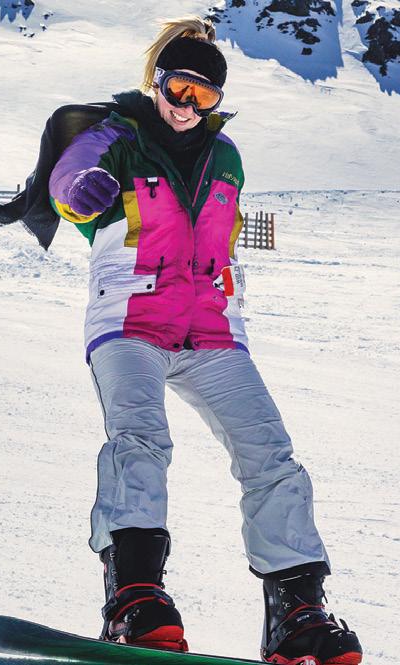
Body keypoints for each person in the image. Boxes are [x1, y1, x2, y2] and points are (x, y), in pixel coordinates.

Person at [43, 18, 363, 665]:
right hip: (129, 320)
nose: (186, 106)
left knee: (271, 456)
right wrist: (81, 190)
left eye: (204, 95)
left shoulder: (226, 158)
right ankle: (135, 596)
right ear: (157, 82)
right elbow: (67, 181)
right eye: (177, 89)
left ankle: (296, 612)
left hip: (212, 332)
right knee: (140, 439)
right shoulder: (117, 136)